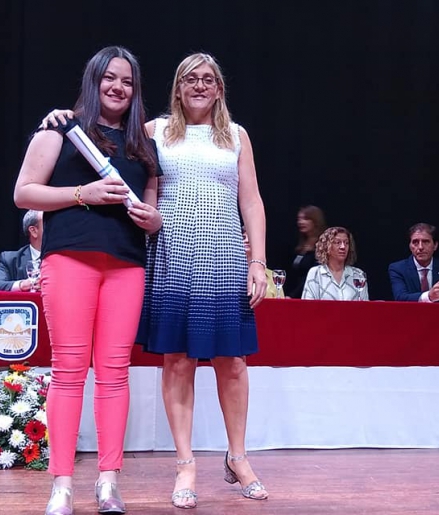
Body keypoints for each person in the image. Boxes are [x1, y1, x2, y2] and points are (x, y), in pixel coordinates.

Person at [43, 52, 269, 509]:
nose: (200, 86)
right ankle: (185, 464)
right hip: (171, 253)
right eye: (191, 79)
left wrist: (259, 261)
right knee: (178, 362)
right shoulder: (152, 132)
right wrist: (61, 117)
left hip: (225, 254)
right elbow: (100, 137)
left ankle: (238, 456)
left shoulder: (237, 135)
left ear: (219, 88)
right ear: (178, 88)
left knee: (233, 362)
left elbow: (252, 200)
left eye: (208, 79)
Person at [15, 46, 163, 515]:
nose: (118, 88)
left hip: (126, 265)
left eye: (128, 81)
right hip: (70, 260)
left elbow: (153, 209)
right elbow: (24, 193)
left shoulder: (144, 145)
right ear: (94, 80)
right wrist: (85, 193)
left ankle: (108, 482)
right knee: (69, 370)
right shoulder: (60, 128)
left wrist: (152, 220)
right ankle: (61, 484)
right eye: (110, 78)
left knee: (115, 373)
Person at [388, 223, 439, 303]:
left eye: (426, 242)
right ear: (410, 246)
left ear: (435, 245)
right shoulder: (398, 269)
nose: (420, 247)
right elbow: (400, 298)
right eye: (415, 242)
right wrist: (429, 296)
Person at [301, 226, 369, 301]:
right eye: (337, 242)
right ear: (327, 246)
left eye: (346, 243)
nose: (343, 247)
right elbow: (307, 305)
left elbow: (365, 305)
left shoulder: (358, 275)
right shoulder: (316, 274)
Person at [0, 210, 44, 291]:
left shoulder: (62, 257)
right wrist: (23, 285)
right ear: (33, 231)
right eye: (48, 224)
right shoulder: (10, 259)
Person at [284, 205, 326, 298]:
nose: (300, 222)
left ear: (316, 221)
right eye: (299, 219)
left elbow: (311, 277)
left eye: (305, 219)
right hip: (292, 296)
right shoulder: (299, 246)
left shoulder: (322, 247)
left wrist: (293, 296)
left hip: (309, 296)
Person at [243, 226, 278, 299]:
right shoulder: (233, 274)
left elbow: (280, 301)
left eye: (250, 237)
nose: (247, 240)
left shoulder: (272, 275)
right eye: (243, 237)